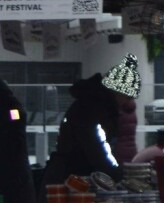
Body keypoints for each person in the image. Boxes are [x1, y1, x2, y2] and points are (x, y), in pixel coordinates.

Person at [43, 54, 141, 189]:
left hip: (74, 175)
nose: (128, 101)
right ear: (118, 91)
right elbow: (97, 149)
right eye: (128, 96)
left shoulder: (96, 105)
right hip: (73, 180)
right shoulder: (93, 109)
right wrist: (118, 176)